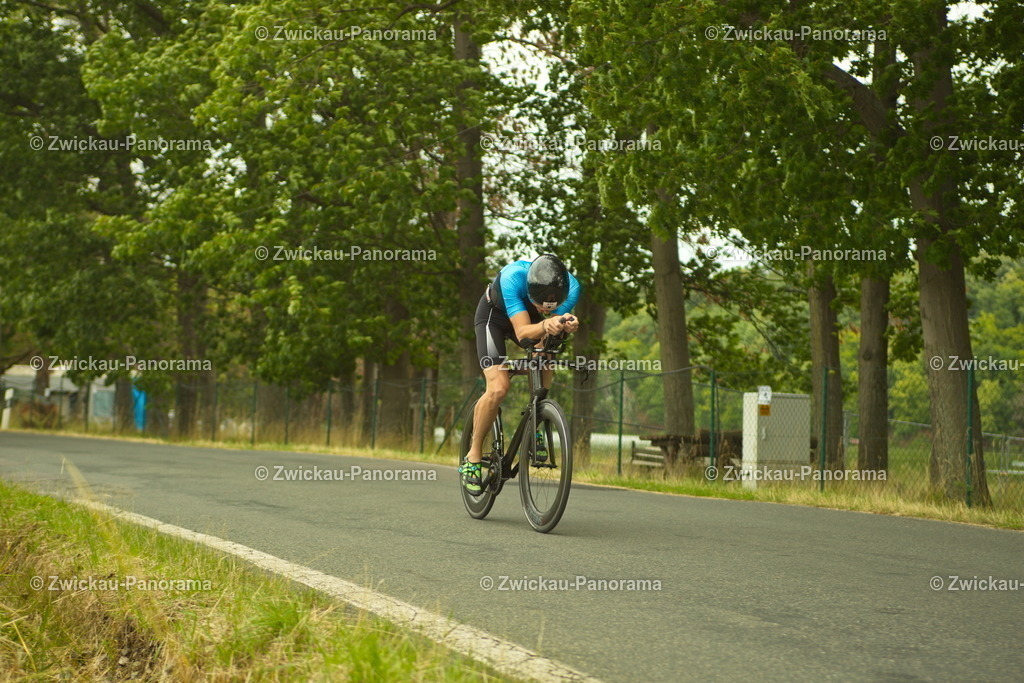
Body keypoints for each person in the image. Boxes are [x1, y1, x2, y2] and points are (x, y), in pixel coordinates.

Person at [460, 254, 580, 494]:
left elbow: (552, 326)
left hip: (530, 320)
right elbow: (524, 332)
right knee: (499, 387)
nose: (542, 309)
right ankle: (472, 457)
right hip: (493, 318)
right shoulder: (513, 278)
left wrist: (564, 323)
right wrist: (546, 323)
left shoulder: (571, 287)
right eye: (539, 303)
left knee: (546, 355)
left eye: (549, 306)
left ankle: (536, 417)